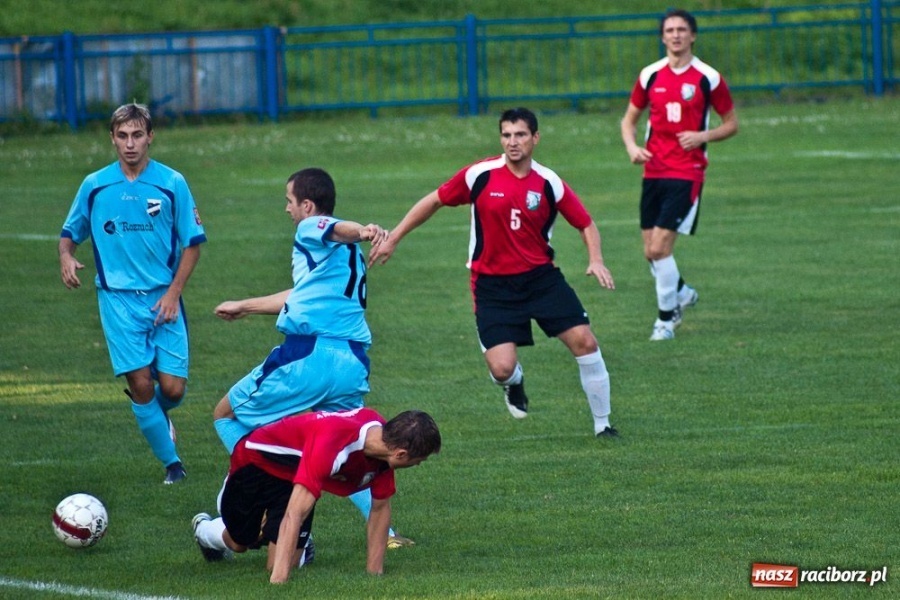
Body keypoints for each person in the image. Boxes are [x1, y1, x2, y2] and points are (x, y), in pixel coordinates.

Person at [369, 107, 617, 438]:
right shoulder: (480, 175)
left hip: (541, 280)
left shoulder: (548, 182)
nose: (513, 142)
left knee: (585, 341)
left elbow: (585, 223)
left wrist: (596, 259)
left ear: (535, 138)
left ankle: (603, 426)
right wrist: (395, 237)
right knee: (501, 369)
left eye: (520, 134)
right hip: (492, 286)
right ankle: (514, 382)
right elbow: (434, 200)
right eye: (506, 135)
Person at [211, 167, 413, 548]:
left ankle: (263, 489)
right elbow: (301, 296)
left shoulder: (311, 228)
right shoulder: (345, 258)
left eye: (289, 201)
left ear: (307, 205)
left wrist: (363, 230)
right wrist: (246, 306)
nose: (287, 209)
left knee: (226, 415)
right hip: (351, 362)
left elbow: (336, 227)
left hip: (308, 357)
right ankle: (386, 535)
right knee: (353, 445)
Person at [58, 103, 206, 484]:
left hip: (162, 297)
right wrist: (66, 257)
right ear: (112, 138)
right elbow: (69, 233)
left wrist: (173, 293)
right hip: (117, 300)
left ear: (150, 137)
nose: (130, 144)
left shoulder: (172, 183)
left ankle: (160, 413)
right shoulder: (95, 185)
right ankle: (173, 466)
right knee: (140, 385)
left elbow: (192, 244)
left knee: (173, 389)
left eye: (137, 135)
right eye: (122, 136)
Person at [191, 408, 441, 582]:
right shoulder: (334, 445)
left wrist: (374, 575)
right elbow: (294, 513)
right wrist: (278, 584)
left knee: (283, 563)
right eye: (418, 460)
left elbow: (380, 508)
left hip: (296, 474)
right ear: (400, 454)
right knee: (239, 542)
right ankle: (204, 529)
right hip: (255, 465)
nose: (418, 465)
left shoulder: (383, 450)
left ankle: (287, 542)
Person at [620, 8, 738, 341]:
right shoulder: (650, 75)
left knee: (659, 249)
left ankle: (666, 321)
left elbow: (731, 124)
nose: (676, 35)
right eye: (670, 30)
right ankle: (682, 292)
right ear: (662, 37)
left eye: (682, 30)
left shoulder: (708, 78)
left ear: (692, 35)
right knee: (650, 251)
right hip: (653, 171)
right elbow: (629, 121)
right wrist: (632, 148)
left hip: (688, 172)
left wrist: (703, 136)